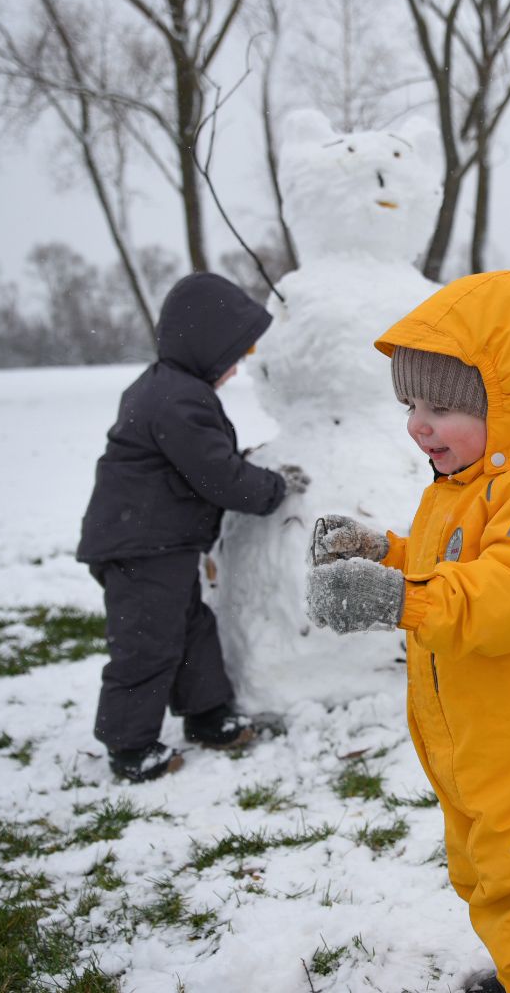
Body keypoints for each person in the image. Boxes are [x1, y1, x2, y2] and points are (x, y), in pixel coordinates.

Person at [305, 270, 510, 993]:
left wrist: (399, 600)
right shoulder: (465, 487)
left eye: (444, 406)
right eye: (411, 403)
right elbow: (445, 568)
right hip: (485, 752)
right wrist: (381, 554)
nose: (419, 424)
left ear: (509, 401)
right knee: (496, 885)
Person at [77, 271, 308, 784]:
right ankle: (130, 745)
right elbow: (217, 476)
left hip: (156, 543)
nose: (237, 367)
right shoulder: (179, 399)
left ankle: (208, 716)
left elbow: (202, 461)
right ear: (204, 343)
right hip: (140, 546)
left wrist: (239, 462)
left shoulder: (170, 390)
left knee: (189, 629)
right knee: (147, 644)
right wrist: (271, 487)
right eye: (233, 353)